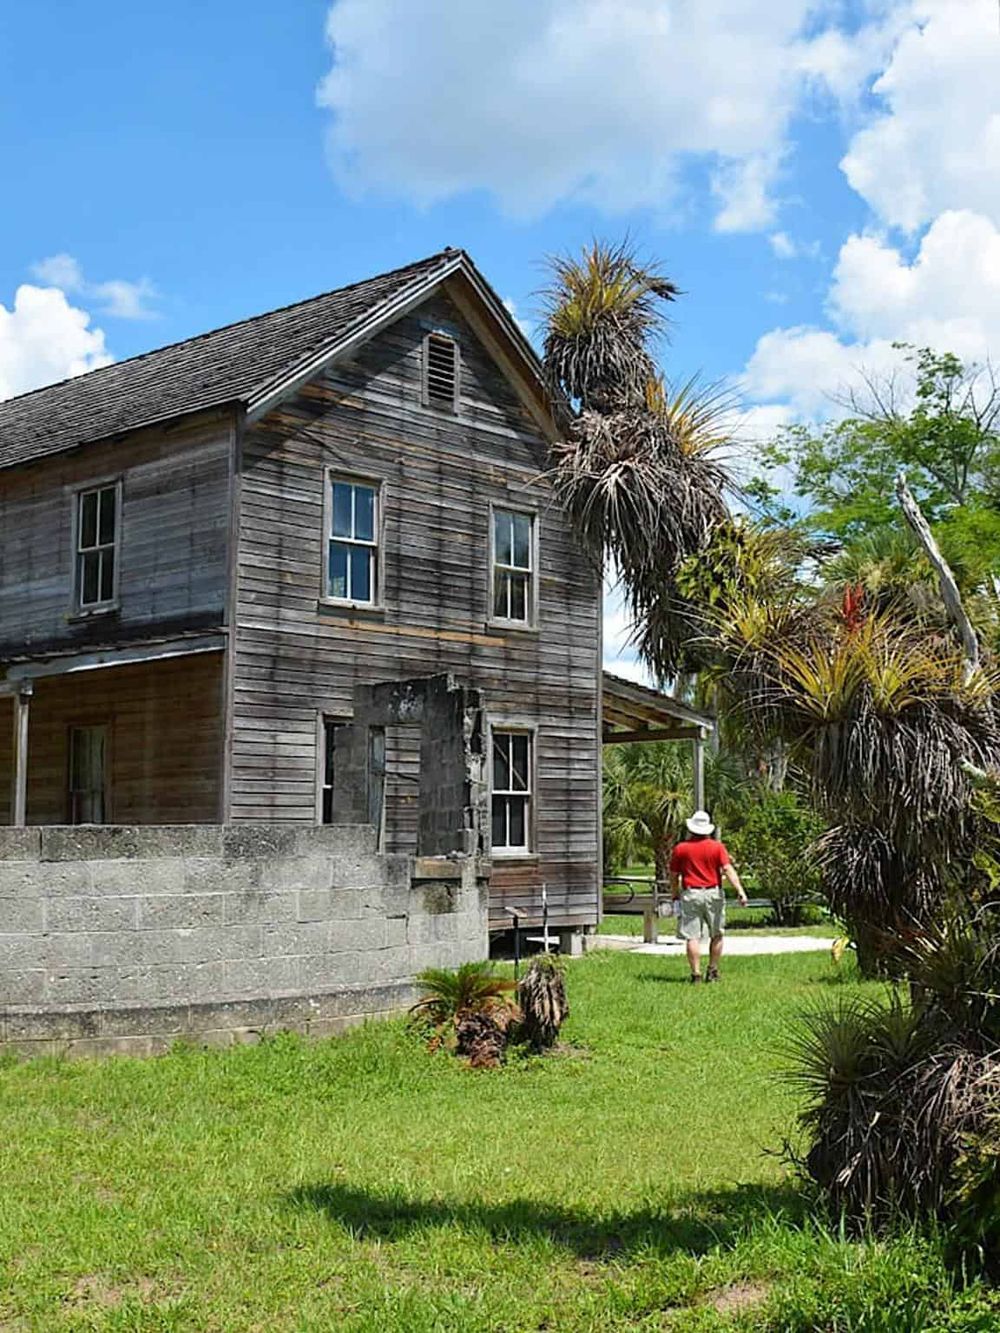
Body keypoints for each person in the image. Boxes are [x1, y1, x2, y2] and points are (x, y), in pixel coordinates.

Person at [669, 810, 747, 984]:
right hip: (713, 893)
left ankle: (695, 973)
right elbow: (728, 869)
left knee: (692, 936)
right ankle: (712, 970)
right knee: (717, 934)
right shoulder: (717, 847)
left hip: (691, 893)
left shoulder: (681, 849)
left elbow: (674, 875)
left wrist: (675, 895)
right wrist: (740, 890)